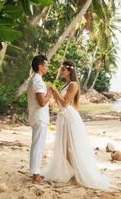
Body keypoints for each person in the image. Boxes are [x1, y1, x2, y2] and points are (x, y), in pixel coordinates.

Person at [43, 60, 111, 190]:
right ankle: (68, 171)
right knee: (64, 146)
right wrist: (53, 94)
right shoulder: (66, 84)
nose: (61, 71)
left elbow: (66, 104)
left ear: (69, 71)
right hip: (62, 116)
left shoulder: (73, 85)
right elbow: (59, 103)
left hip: (69, 117)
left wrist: (55, 90)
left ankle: (75, 172)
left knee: (70, 146)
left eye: (63, 69)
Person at [27, 55, 52, 184]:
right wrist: (50, 93)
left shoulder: (35, 79)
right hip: (39, 117)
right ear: (40, 67)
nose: (47, 68)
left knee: (37, 145)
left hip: (36, 116)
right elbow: (42, 102)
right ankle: (35, 175)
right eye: (46, 65)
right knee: (38, 146)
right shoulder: (38, 81)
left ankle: (35, 173)